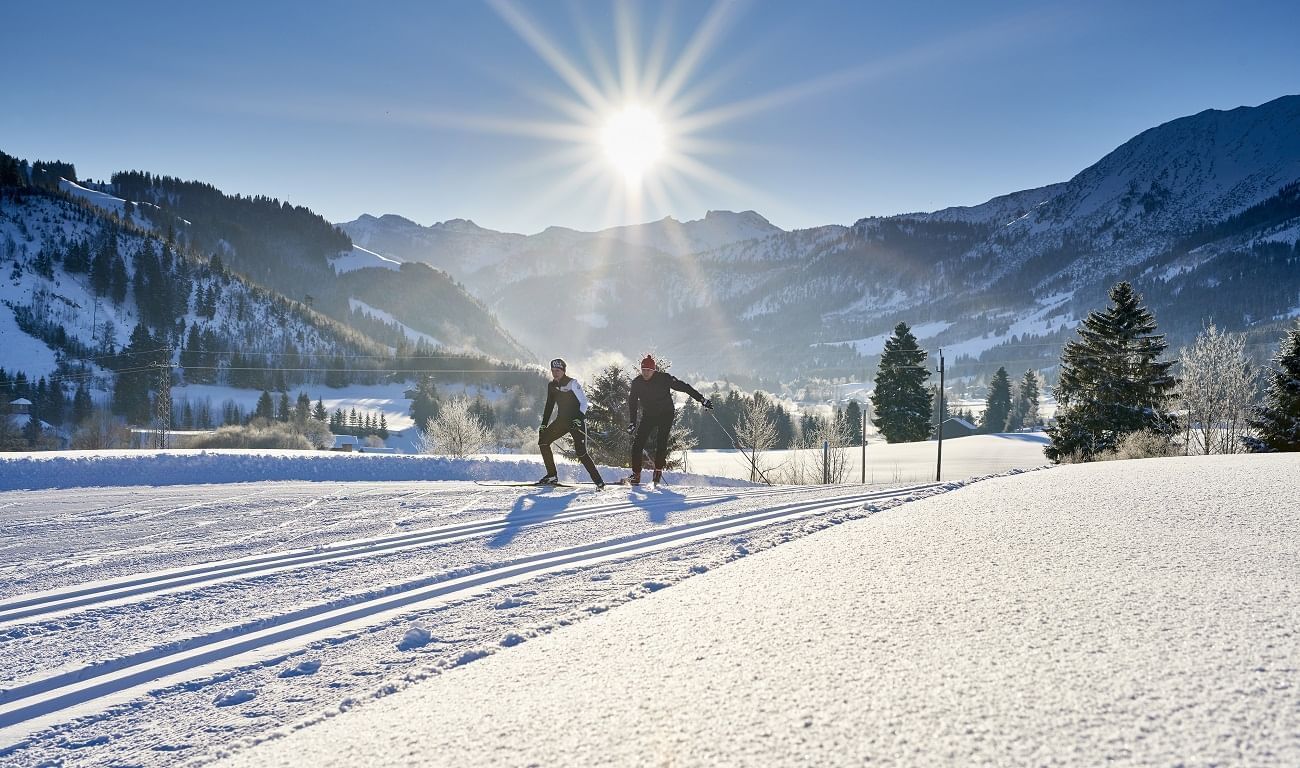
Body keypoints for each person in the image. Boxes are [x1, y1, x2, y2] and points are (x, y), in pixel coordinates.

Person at [624, 354, 712, 485]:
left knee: (661, 442)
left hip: (666, 413)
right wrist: (632, 422)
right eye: (643, 370)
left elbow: (684, 387)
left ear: (654, 370)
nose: (646, 373)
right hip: (649, 415)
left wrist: (701, 399)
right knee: (637, 444)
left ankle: (657, 472)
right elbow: (632, 402)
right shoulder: (637, 382)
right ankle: (636, 475)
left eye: (648, 370)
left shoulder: (664, 378)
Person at [537, 358, 605, 488]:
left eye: (557, 370)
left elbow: (584, 403)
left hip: (576, 422)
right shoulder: (551, 386)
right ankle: (552, 476)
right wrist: (544, 424)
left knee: (581, 453)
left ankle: (599, 482)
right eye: (553, 370)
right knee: (543, 442)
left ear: (563, 371)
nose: (555, 373)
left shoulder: (572, 383)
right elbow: (549, 405)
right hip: (561, 421)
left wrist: (578, 418)